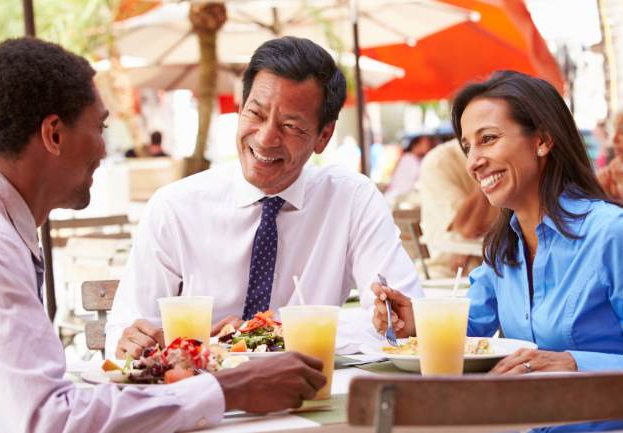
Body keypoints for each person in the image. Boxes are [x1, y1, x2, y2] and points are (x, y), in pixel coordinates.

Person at [0, 37, 329, 433]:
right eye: (100, 128)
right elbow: (47, 421)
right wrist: (228, 388)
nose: (104, 149)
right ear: (54, 134)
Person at [107, 36, 422, 359]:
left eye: (290, 126)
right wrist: (138, 340)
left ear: (323, 136)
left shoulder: (351, 199)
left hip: (310, 391)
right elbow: (125, 331)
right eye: (255, 114)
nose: (266, 137)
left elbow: (406, 315)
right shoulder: (175, 208)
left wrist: (268, 333)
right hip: (200, 391)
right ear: (241, 108)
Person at [371, 71, 623, 431]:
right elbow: (473, 331)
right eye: (468, 147)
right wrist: (413, 322)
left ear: (543, 140)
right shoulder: (505, 248)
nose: (473, 161)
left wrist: (573, 363)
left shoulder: (614, 236)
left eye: (488, 139)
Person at [416, 139, 497, 277]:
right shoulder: (438, 162)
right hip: (445, 274)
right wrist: (488, 174)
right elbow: (465, 228)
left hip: (492, 271)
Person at [384, 134, 435, 200]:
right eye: (425, 143)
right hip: (397, 197)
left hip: (399, 196)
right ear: (416, 144)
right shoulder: (409, 159)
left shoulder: (413, 159)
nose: (428, 146)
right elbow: (422, 177)